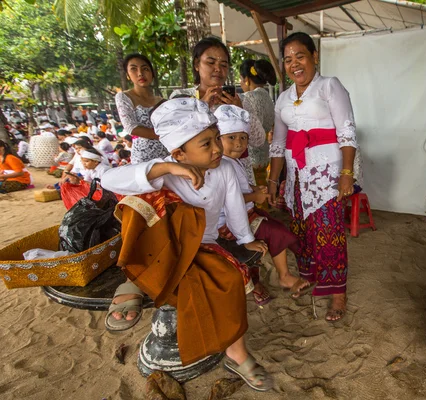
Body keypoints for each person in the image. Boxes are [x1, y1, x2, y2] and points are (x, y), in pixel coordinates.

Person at [101, 98, 273, 391]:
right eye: (206, 144)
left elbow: (234, 210)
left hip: (201, 246)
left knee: (232, 277)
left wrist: (246, 239)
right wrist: (166, 168)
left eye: (216, 138)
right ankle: (133, 278)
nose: (218, 148)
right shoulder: (164, 171)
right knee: (139, 201)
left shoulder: (226, 169)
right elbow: (108, 179)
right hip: (158, 250)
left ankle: (236, 352)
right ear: (180, 152)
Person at [267, 32, 363, 322]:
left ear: (314, 56)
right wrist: (273, 180)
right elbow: (278, 143)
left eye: (300, 56)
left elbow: (347, 132)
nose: (295, 64)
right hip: (297, 174)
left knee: (329, 233)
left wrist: (346, 173)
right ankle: (310, 277)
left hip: (327, 173)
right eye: (288, 59)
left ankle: (337, 293)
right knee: (303, 231)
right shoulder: (283, 98)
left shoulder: (329, 86)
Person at [215, 105, 314, 305]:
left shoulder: (232, 162)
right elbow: (225, 201)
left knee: (278, 230)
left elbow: (240, 187)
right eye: (231, 137)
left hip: (245, 213)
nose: (239, 143)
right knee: (275, 232)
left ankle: (287, 273)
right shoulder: (219, 166)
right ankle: (283, 276)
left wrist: (254, 189)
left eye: (243, 138)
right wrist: (253, 196)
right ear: (218, 140)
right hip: (228, 223)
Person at [170, 37, 265, 185]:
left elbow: (258, 140)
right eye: (211, 62)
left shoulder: (239, 99)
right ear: (197, 64)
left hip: (238, 176)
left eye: (224, 65)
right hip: (200, 177)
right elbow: (173, 139)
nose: (218, 69)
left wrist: (241, 111)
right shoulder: (182, 98)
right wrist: (202, 106)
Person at [115, 53, 169, 164]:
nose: (140, 74)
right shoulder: (124, 97)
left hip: (167, 154)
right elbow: (131, 127)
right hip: (143, 158)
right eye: (134, 69)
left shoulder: (162, 101)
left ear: (152, 74)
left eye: (145, 69)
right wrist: (166, 135)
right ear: (127, 75)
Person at [239, 59, 276, 186]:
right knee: (262, 186)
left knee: (252, 190)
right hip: (264, 153)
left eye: (241, 79)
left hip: (251, 154)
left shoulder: (247, 97)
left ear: (247, 79)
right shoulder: (267, 97)